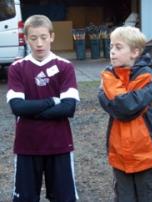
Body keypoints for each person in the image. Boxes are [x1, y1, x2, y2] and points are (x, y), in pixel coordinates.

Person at [6, 15, 79, 202]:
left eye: (44, 37)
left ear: (52, 37)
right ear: (26, 38)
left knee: (64, 198)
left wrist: (31, 111)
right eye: (33, 38)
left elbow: (68, 108)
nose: (39, 43)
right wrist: (52, 101)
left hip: (59, 144)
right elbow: (17, 107)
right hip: (27, 145)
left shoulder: (65, 67)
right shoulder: (17, 68)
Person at [98, 26, 152, 202]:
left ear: (135, 52)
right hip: (120, 157)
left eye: (118, 47)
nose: (112, 52)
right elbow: (124, 106)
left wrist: (111, 98)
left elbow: (125, 107)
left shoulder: (147, 75)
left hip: (146, 156)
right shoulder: (109, 74)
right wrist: (151, 90)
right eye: (111, 46)